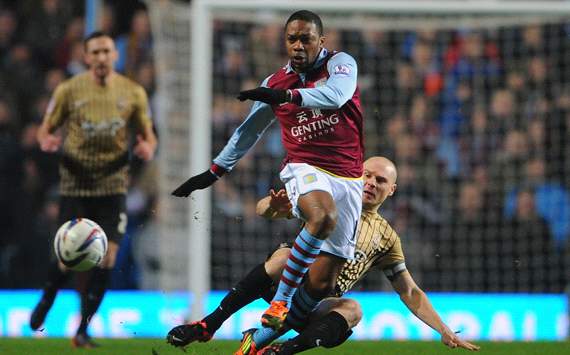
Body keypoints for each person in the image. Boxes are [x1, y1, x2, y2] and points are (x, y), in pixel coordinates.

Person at [171, 9, 364, 347]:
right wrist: (214, 171)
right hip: (304, 166)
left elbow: (337, 96)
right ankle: (280, 301)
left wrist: (286, 97)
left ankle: (256, 340)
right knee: (323, 216)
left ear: (322, 40)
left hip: (348, 178)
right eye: (292, 39)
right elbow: (248, 132)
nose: (298, 45)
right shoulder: (274, 84)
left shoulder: (340, 63)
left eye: (306, 38)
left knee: (321, 285)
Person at [167, 157, 480, 354]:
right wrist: (274, 208)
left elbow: (410, 292)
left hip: (314, 307)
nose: (371, 183)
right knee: (284, 256)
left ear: (392, 190)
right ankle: (209, 325)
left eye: (380, 180)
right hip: (283, 292)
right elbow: (263, 208)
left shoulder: (387, 237)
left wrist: (444, 330)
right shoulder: (330, 196)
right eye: (367, 175)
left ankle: (277, 350)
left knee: (354, 310)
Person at [29, 31, 157, 348]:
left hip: (113, 186)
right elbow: (45, 128)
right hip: (76, 184)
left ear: (116, 55)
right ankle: (47, 298)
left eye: (106, 51)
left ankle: (83, 329)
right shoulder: (69, 90)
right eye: (95, 52)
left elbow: (148, 134)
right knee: (67, 257)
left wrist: (148, 147)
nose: (101, 57)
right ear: (86, 57)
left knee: (108, 258)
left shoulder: (133, 92)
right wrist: (47, 139)